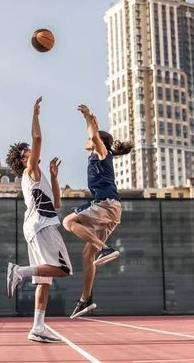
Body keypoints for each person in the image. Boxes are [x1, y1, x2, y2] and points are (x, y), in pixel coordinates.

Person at [5, 96, 72, 343]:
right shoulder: (30, 170)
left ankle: (38, 328)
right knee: (64, 269)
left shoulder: (38, 175)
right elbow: (38, 138)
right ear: (24, 160)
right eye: (27, 152)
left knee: (44, 281)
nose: (32, 152)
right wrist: (35, 114)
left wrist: (54, 177)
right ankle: (18, 271)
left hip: (37, 224)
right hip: (43, 226)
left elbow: (56, 204)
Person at [62, 104, 134, 319]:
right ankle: (85, 299)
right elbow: (96, 134)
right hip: (111, 210)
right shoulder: (100, 155)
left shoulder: (102, 154)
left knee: (68, 222)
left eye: (90, 139)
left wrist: (86, 118)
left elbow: (95, 137)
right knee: (86, 255)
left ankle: (105, 249)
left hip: (105, 205)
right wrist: (92, 120)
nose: (86, 141)